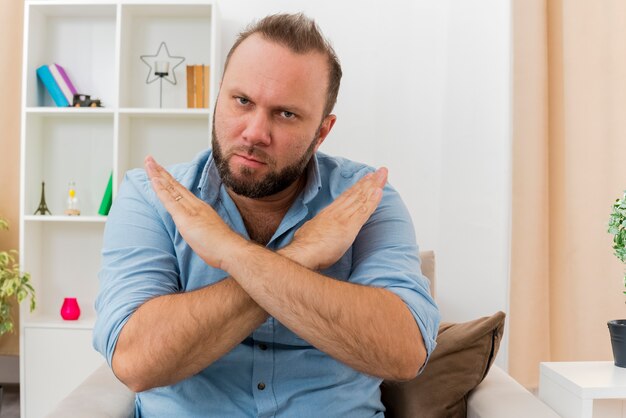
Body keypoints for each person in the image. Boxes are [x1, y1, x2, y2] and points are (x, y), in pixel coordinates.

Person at [93, 13, 439, 417]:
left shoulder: (365, 201)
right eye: (242, 101)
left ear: (322, 132)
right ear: (218, 95)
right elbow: (135, 361)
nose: (255, 132)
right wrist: (301, 255)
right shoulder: (151, 198)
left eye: (286, 114)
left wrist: (229, 253)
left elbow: (404, 353)